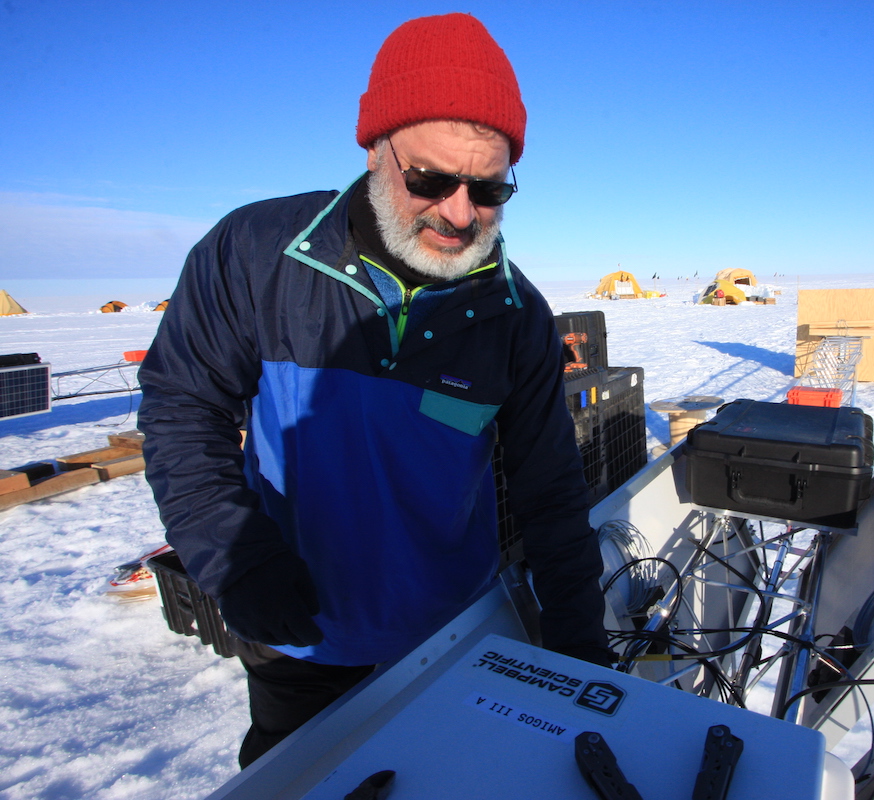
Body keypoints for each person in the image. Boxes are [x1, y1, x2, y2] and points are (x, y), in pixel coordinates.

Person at [138, 12, 610, 768]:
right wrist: (236, 556)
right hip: (297, 637)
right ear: (373, 148)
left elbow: (549, 489)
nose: (460, 213)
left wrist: (582, 649)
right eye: (430, 179)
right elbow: (181, 406)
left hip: (454, 632)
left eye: (489, 190)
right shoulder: (257, 254)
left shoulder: (515, 315)